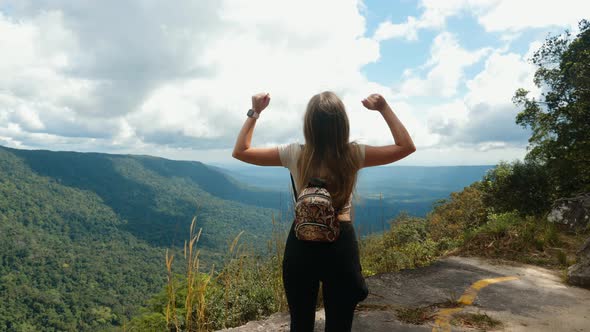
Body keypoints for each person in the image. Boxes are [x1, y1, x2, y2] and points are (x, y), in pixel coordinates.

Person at [232, 91, 416, 331]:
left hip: (301, 242)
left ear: (308, 125)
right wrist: (383, 107)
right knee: (339, 325)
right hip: (341, 245)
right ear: (342, 124)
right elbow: (406, 146)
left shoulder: (294, 153)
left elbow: (241, 151)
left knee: (300, 323)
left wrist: (255, 112)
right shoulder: (353, 154)